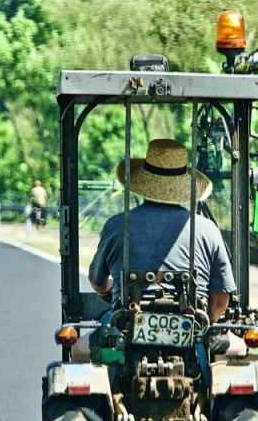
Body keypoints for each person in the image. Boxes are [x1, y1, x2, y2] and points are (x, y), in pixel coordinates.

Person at [88, 138, 236, 324]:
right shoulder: (208, 230)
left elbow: (97, 279)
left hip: (125, 326)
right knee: (239, 347)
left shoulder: (116, 225)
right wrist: (205, 329)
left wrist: (109, 290)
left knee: (79, 348)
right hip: (193, 328)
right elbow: (221, 298)